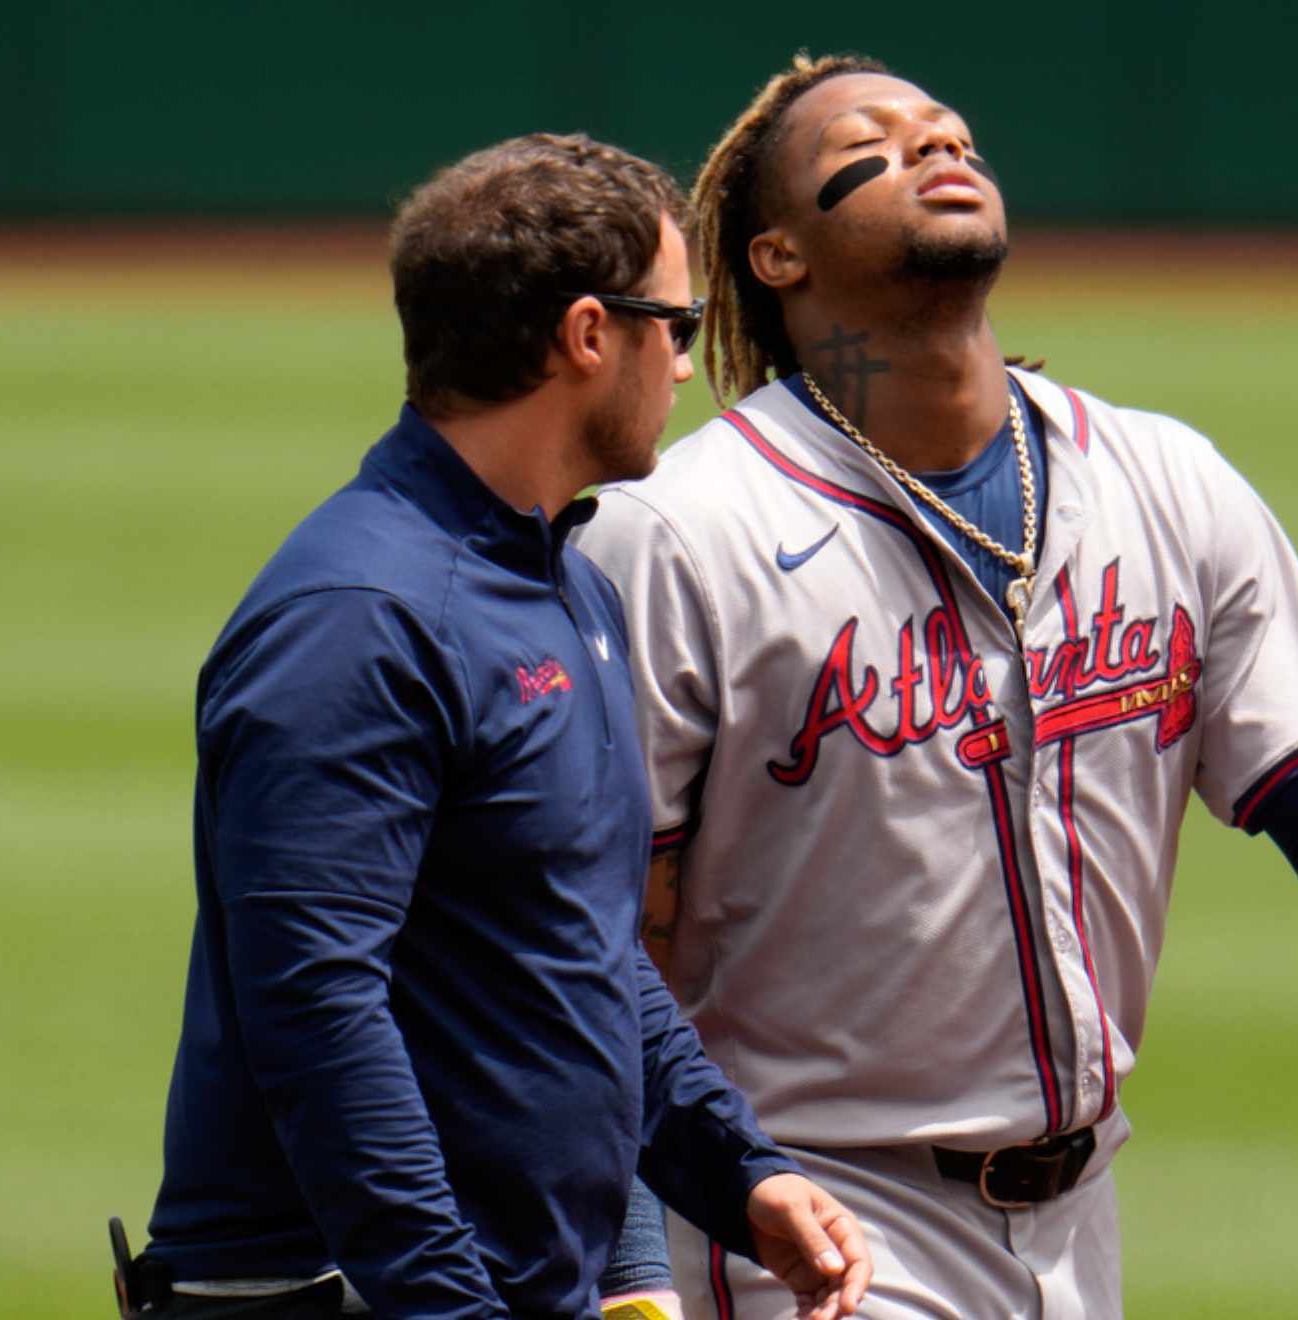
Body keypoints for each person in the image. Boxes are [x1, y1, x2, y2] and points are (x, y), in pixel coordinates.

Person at [575, 57, 1298, 1318]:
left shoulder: (1163, 479)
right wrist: (630, 1253)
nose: (933, 145)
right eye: (871, 144)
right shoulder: (680, 535)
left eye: (949, 129)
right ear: (778, 257)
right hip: (806, 1220)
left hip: (1079, 1229)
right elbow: (592, 934)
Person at [118, 132, 868, 1320]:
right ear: (586, 335)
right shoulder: (360, 619)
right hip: (351, 1295)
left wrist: (736, 1171)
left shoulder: (566, 584)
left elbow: (582, 940)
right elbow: (319, 1011)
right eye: (671, 329)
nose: (684, 369)